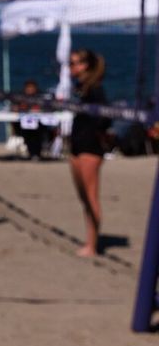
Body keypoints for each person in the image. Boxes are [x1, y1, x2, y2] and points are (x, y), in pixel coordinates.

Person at [67, 49, 112, 257]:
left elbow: (105, 119)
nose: (71, 67)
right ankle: (90, 241)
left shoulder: (95, 90)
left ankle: (92, 245)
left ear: (86, 65)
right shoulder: (81, 89)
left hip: (90, 149)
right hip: (77, 146)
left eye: (74, 63)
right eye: (70, 63)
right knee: (84, 198)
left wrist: (97, 134)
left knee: (91, 197)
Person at [12, 79, 46, 160]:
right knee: (28, 133)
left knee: (37, 134)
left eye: (32, 88)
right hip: (23, 124)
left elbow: (46, 108)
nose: (30, 90)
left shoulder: (40, 96)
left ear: (35, 88)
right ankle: (32, 152)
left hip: (38, 124)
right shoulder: (20, 97)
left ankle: (36, 153)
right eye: (28, 88)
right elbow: (14, 108)